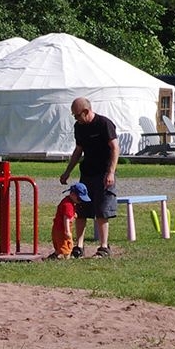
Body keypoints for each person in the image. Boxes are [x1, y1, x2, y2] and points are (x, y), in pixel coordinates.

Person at [59, 96, 119, 257]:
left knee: (102, 210)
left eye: (77, 115)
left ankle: (104, 246)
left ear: (86, 111)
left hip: (104, 173)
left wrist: (111, 172)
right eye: (74, 116)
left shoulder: (104, 124)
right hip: (87, 173)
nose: (76, 119)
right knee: (82, 209)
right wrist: (67, 171)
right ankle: (78, 246)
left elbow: (115, 148)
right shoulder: (79, 127)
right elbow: (78, 151)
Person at [45, 183, 85, 259]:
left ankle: (55, 255)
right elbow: (66, 218)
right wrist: (67, 231)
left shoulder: (67, 201)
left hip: (57, 228)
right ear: (72, 194)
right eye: (79, 199)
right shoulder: (68, 205)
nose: (80, 201)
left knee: (60, 245)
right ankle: (63, 257)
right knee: (66, 247)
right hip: (62, 230)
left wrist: (74, 214)